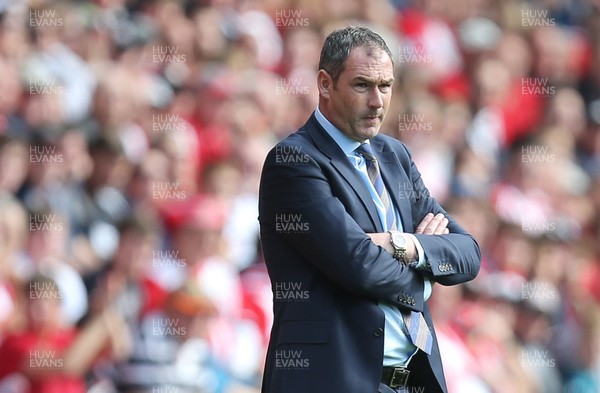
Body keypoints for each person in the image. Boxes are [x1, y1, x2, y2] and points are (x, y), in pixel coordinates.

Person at [258, 26, 481, 393]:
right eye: (362, 85)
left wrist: (404, 245)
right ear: (325, 84)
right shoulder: (293, 160)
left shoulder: (394, 155)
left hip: (411, 383)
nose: (377, 101)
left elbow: (468, 252)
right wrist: (426, 279)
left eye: (386, 86)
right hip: (329, 382)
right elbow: (358, 265)